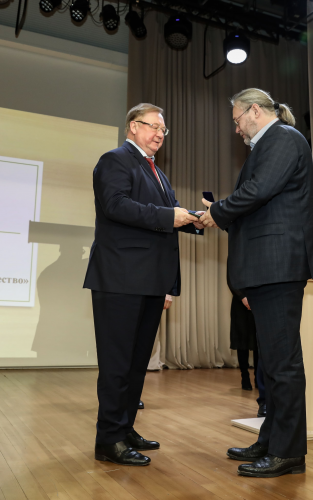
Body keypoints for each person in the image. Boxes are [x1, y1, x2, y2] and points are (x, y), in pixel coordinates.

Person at [200, 88, 313, 478]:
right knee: (271, 363)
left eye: (237, 120)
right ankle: (271, 440)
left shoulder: (283, 138)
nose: (236, 129)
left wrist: (219, 212)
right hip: (267, 267)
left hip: (278, 266)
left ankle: (288, 452)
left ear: (255, 110)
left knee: (282, 363)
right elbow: (258, 201)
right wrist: (222, 212)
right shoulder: (269, 144)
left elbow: (258, 191)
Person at [83, 103, 203, 467]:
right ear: (133, 127)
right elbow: (116, 205)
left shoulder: (157, 172)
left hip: (150, 280)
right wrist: (170, 215)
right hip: (120, 278)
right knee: (117, 363)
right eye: (153, 127)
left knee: (137, 364)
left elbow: (168, 216)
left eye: (163, 130)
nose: (159, 135)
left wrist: (196, 219)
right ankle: (108, 440)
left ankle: (125, 428)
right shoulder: (115, 160)